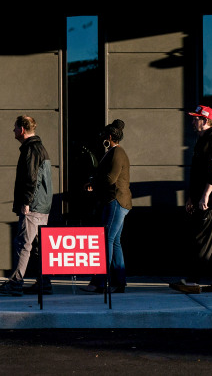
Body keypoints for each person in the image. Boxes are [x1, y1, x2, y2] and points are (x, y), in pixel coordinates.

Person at [170, 105, 212, 294]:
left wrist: (205, 195)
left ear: (205, 121)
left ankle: (192, 282)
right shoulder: (204, 139)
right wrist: (192, 196)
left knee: (202, 239)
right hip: (209, 199)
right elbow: (198, 173)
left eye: (196, 118)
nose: (192, 121)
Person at [0, 115, 53, 297]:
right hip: (42, 205)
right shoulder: (38, 147)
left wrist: (26, 202)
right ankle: (44, 283)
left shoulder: (31, 149)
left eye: (15, 127)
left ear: (22, 130)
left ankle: (16, 283)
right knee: (36, 246)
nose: (13, 130)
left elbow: (30, 178)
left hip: (33, 205)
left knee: (23, 244)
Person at [80, 119, 132, 294]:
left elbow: (111, 179)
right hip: (116, 202)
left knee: (105, 240)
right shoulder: (112, 152)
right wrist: (94, 181)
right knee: (115, 242)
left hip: (116, 202)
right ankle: (120, 282)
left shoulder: (117, 153)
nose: (101, 137)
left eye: (103, 135)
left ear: (109, 137)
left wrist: (95, 182)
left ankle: (99, 282)